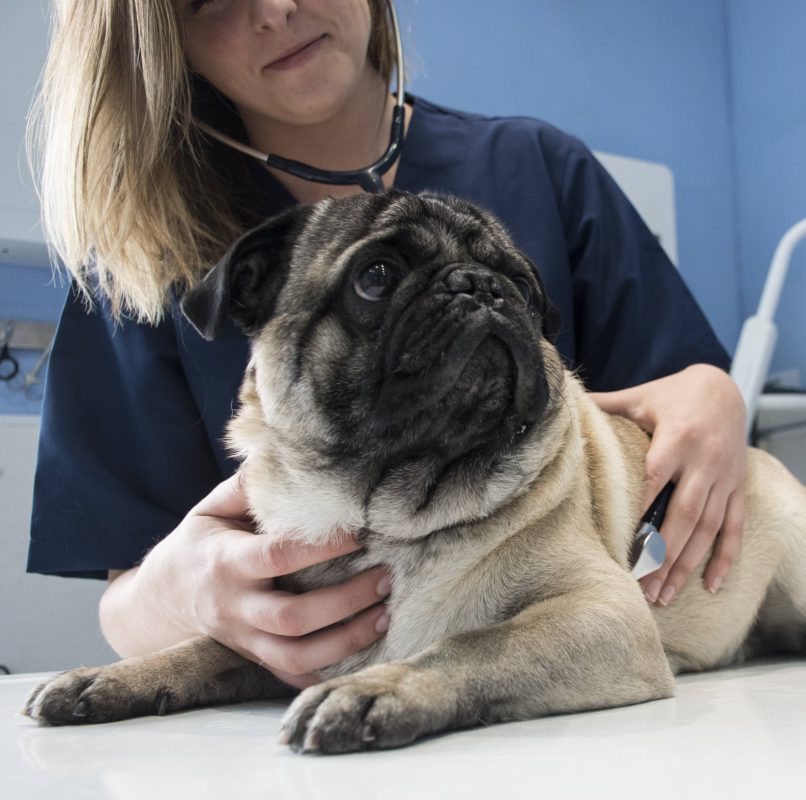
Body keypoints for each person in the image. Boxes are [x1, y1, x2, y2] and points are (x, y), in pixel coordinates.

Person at [26, 0, 747, 689]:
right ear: (160, 46)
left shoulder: (539, 168)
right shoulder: (140, 265)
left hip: (546, 696)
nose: (274, 9)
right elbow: (126, 601)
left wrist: (714, 394)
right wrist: (177, 596)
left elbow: (671, 422)